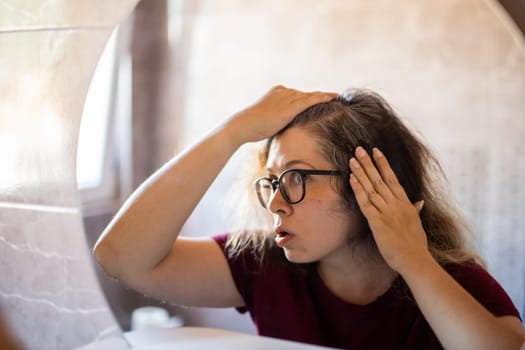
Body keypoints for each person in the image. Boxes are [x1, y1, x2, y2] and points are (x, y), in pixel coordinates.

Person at [94, 86, 525, 349]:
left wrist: (413, 261)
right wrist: (232, 132)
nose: (276, 204)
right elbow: (121, 257)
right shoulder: (263, 264)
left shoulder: (453, 281)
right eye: (272, 182)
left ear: (369, 184)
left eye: (296, 177)